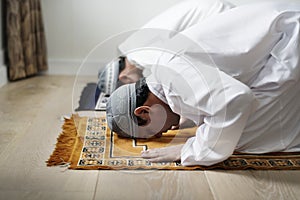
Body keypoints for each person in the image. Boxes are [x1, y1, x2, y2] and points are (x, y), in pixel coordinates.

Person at [106, 1, 300, 166]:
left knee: (240, 135)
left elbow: (235, 100)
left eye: (151, 132)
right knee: (225, 127)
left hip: (291, 34)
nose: (160, 135)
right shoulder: (163, 71)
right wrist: (194, 115)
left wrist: (193, 150)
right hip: (286, 30)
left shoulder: (174, 78)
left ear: (143, 112)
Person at [97, 0, 235, 94]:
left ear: (124, 77)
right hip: (216, 10)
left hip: (218, 17)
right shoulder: (134, 47)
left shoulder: (141, 55)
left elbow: (176, 71)